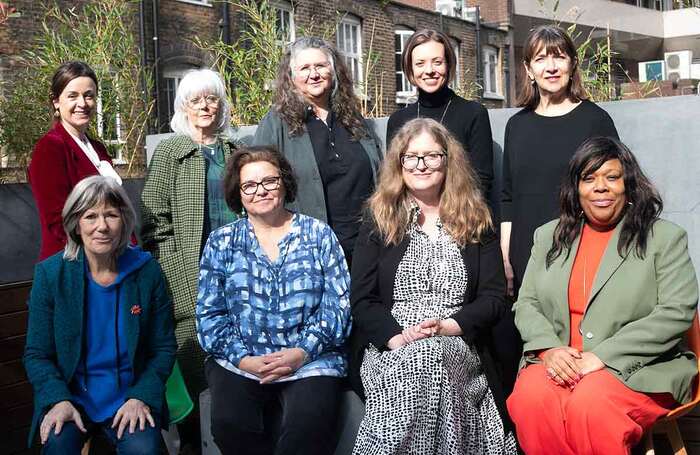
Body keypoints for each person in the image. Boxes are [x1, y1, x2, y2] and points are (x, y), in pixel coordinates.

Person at [507, 137, 698, 455]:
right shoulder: (548, 237)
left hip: (640, 367)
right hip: (561, 361)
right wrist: (549, 350)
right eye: (589, 178)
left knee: (590, 403)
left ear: (629, 185)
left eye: (612, 177)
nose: (600, 187)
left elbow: (676, 312)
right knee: (530, 398)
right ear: (576, 188)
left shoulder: (663, 238)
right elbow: (526, 303)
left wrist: (603, 356)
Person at [350, 118, 516, 454]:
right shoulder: (379, 217)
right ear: (399, 164)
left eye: (431, 156)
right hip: (392, 344)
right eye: (411, 157)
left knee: (431, 356)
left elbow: (493, 297)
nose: (421, 165)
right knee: (419, 361)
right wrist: (398, 337)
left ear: (448, 160)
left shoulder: (474, 217)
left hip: (457, 339)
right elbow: (362, 299)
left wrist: (449, 326)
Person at [197, 146, 351, 455]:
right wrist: (243, 359)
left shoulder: (319, 234)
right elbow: (209, 315)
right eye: (249, 186)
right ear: (237, 193)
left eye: (269, 181)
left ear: (284, 183)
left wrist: (302, 352)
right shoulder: (222, 241)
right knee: (232, 424)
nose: (261, 191)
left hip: (310, 360)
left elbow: (339, 306)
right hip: (240, 361)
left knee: (307, 428)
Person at [498, 24, 619, 394]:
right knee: (528, 349)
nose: (551, 66)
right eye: (541, 58)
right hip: (525, 252)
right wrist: (505, 256)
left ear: (572, 64)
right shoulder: (517, 125)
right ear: (528, 69)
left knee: (571, 353)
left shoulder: (595, 120)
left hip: (580, 249)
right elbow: (507, 196)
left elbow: (611, 189)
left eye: (559, 56)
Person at [23, 175, 176, 454]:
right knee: (58, 446)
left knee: (144, 450)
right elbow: (37, 354)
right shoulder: (51, 275)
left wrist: (140, 396)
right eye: (90, 216)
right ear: (75, 224)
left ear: (124, 220)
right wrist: (58, 400)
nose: (102, 226)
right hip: (71, 398)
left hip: (129, 396)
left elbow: (163, 348)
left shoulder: (147, 272)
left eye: (111, 215)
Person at [140, 68, 240, 415]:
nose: (205, 106)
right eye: (196, 100)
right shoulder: (170, 153)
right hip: (189, 270)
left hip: (236, 269)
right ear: (183, 107)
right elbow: (154, 222)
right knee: (193, 348)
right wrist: (176, 273)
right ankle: (194, 436)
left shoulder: (235, 151)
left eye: (211, 98)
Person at [252, 36, 382, 265]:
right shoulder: (276, 124)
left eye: (321, 66)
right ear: (291, 77)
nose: (314, 74)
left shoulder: (353, 120)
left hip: (367, 247)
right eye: (304, 68)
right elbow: (257, 184)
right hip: (308, 251)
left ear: (333, 72)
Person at [29, 61, 122, 261]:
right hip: (73, 261)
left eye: (89, 95)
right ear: (56, 101)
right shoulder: (50, 148)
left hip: (110, 260)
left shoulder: (98, 148)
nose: (82, 103)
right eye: (72, 96)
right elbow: (57, 221)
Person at [386, 29, 493, 200]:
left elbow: (481, 181)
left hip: (461, 217)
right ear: (410, 69)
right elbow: (395, 178)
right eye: (420, 63)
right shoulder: (398, 121)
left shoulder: (473, 114)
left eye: (437, 62)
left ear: (448, 65)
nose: (429, 70)